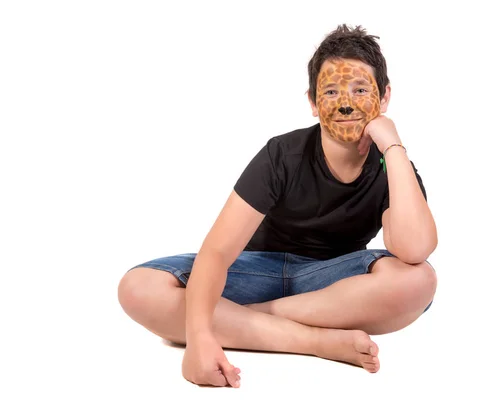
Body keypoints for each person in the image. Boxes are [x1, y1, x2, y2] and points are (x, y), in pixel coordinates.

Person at [118, 24, 438, 388]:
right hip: (257, 272)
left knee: (419, 280)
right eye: (331, 91)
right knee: (138, 287)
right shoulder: (281, 155)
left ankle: (237, 322)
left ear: (384, 99)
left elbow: (415, 249)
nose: (346, 102)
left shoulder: (392, 167)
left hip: (333, 285)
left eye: (361, 89)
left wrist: (392, 146)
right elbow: (218, 252)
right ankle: (314, 340)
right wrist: (200, 340)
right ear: (314, 103)